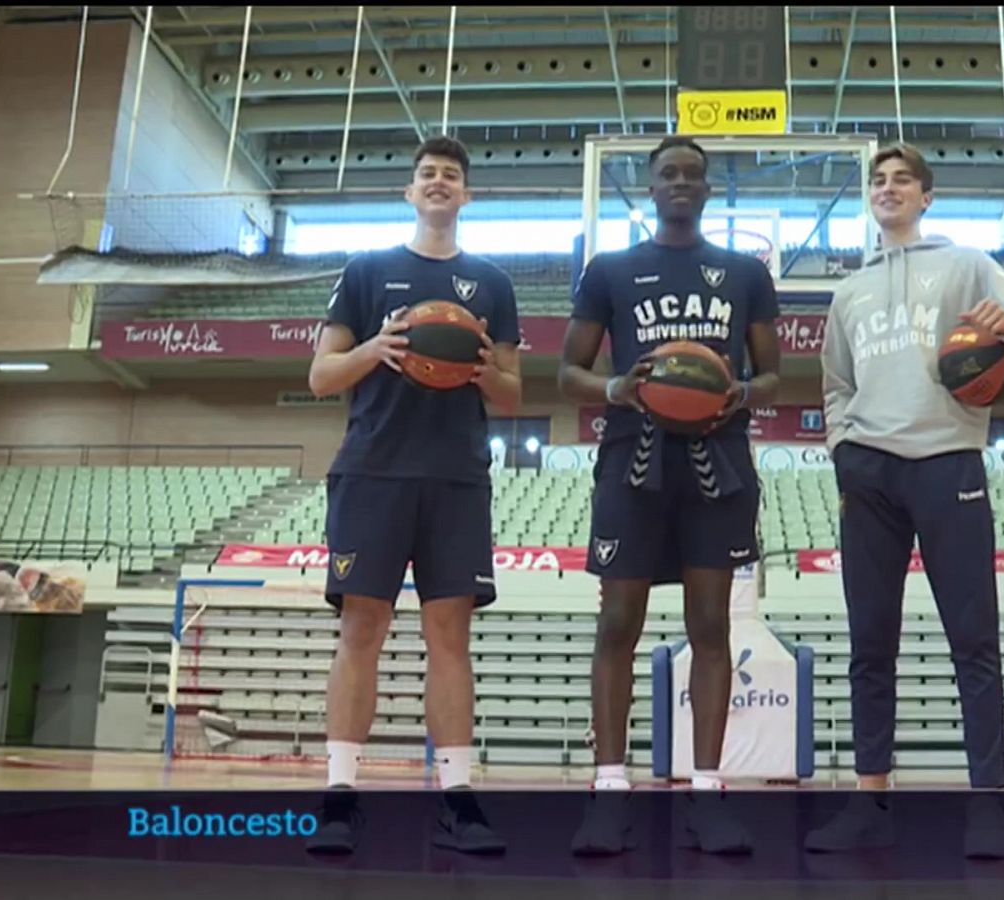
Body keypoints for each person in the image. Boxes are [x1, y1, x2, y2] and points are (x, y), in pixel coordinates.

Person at [804, 143, 1004, 856]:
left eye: (901, 180)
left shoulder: (966, 263)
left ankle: (986, 805)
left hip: (950, 467)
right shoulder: (849, 291)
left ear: (926, 196)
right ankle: (869, 801)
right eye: (878, 181)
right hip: (871, 476)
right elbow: (834, 386)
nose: (887, 189)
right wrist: (842, 453)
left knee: (973, 642)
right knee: (869, 646)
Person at [557, 136, 782, 856]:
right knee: (617, 621)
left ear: (708, 189)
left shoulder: (744, 271)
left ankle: (709, 793)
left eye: (692, 174)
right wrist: (616, 389)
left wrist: (742, 391)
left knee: (712, 625)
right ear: (649, 189)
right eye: (668, 175)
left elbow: (774, 375)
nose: (681, 183)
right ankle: (609, 791)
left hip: (717, 462)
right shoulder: (611, 271)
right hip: (633, 460)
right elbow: (568, 372)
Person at [304, 135, 521, 856]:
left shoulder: (491, 282)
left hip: (457, 474)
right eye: (427, 174)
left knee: (449, 639)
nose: (438, 183)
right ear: (410, 191)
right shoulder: (367, 271)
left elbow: (514, 394)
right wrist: (381, 347)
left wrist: (484, 368)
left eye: (451, 176)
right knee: (360, 631)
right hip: (373, 471)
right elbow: (320, 376)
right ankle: (339, 795)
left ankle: (457, 798)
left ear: (466, 195)